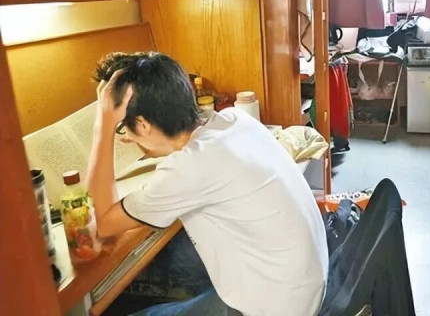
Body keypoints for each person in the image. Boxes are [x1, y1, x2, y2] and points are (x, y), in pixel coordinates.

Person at [87, 52, 328, 316]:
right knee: (177, 255)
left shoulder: (187, 167)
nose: (126, 137)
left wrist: (104, 124)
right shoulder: (235, 119)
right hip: (304, 283)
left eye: (124, 128)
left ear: (142, 125)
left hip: (277, 308)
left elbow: (105, 222)